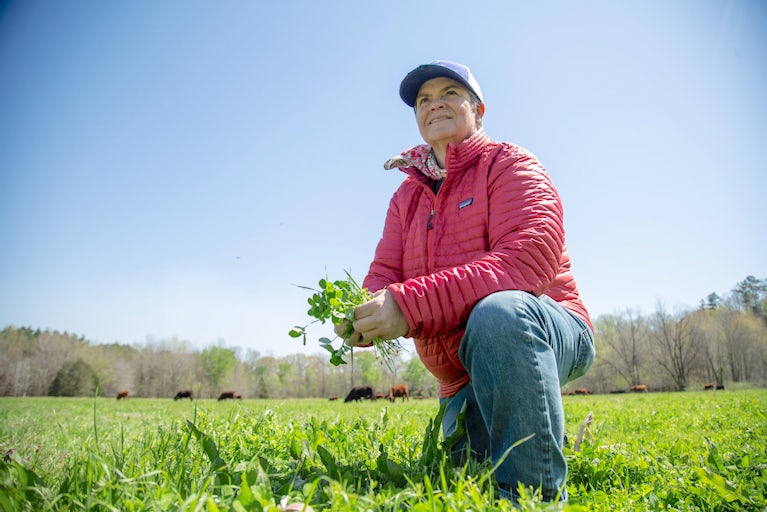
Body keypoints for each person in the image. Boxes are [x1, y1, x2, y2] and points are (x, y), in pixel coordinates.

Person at [338, 60, 595, 503]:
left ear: (478, 109)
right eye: (423, 99)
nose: (433, 103)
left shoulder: (510, 165)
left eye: (448, 93)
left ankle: (531, 497)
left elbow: (524, 264)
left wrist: (408, 306)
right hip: (459, 373)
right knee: (462, 467)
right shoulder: (405, 198)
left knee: (501, 312)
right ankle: (525, 435)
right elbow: (385, 272)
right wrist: (363, 311)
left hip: (543, 327)